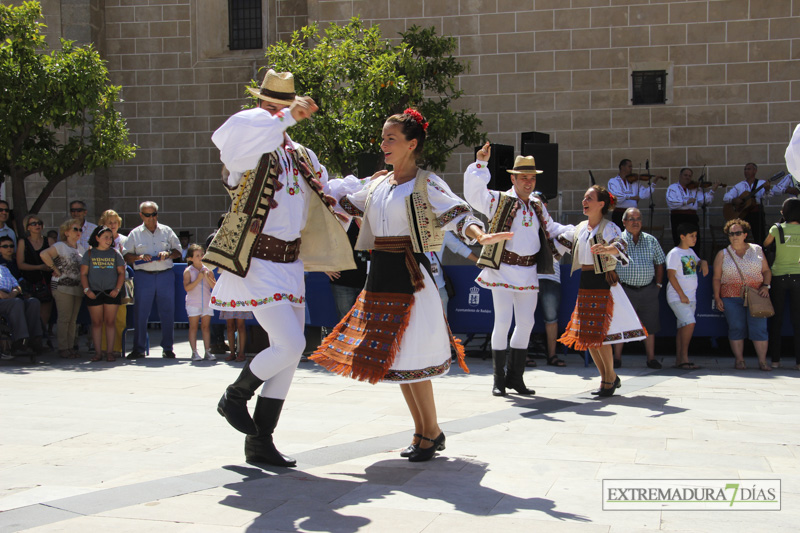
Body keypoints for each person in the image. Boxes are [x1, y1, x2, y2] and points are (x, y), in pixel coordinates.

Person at [312, 109, 510, 462]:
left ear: (412, 144)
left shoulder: (426, 183)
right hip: (381, 276)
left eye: (391, 138)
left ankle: (430, 431)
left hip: (412, 278)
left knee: (413, 357)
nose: (384, 144)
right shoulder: (377, 185)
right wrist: (321, 190)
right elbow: (343, 202)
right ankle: (422, 432)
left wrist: (482, 236)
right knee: (398, 358)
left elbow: (458, 215)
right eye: (383, 137)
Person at [207, 69, 354, 468]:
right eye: (270, 106)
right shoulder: (249, 144)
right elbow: (236, 147)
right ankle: (235, 396)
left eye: (281, 106)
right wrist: (283, 117)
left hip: (290, 261)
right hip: (255, 260)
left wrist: (365, 187)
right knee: (291, 344)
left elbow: (328, 191)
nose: (273, 114)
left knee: (289, 354)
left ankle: (260, 442)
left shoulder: (300, 154)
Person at [464, 143, 572, 397]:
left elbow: (552, 228)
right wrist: (480, 164)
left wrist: (574, 232)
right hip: (502, 269)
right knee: (502, 322)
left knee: (526, 323)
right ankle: (498, 379)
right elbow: (475, 195)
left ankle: (516, 378)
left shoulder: (537, 205)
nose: (528, 182)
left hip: (528, 271)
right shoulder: (500, 200)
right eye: (523, 177)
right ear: (513, 178)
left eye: (532, 178)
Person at [558, 185, 646, 397]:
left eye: (589, 198)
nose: (584, 201)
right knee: (589, 337)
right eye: (584, 197)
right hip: (586, 281)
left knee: (600, 336)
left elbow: (621, 246)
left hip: (603, 282)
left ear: (601, 204)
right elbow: (558, 237)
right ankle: (609, 378)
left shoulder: (609, 228)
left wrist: (609, 249)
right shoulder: (580, 228)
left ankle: (609, 378)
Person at [122, 201, 182, 359]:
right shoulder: (135, 234)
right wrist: (138, 257)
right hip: (144, 276)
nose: (151, 218)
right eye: (147, 215)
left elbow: (178, 251)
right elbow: (126, 255)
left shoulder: (167, 231)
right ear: (141, 215)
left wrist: (168, 253)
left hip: (165, 274)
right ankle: (139, 348)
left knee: (168, 313)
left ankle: (168, 348)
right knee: (141, 313)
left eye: (154, 214)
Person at [712, 219, 772, 371]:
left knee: (759, 328)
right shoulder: (723, 254)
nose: (734, 236)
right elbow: (717, 277)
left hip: (756, 294)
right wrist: (717, 297)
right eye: (731, 234)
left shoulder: (757, 250)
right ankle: (739, 360)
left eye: (738, 233)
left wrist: (766, 286)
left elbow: (766, 270)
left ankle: (763, 361)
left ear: (745, 234)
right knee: (736, 327)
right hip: (731, 296)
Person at [613, 207, 665, 369]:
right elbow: (608, 265)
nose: (635, 222)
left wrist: (658, 284)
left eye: (638, 219)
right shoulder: (616, 240)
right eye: (631, 219)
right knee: (621, 325)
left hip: (648, 290)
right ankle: (617, 358)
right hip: (624, 290)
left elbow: (659, 262)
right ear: (624, 222)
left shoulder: (651, 240)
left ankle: (651, 358)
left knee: (649, 326)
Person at [665, 223, 709, 369]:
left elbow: (697, 261)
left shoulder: (690, 251)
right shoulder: (674, 253)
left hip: (691, 297)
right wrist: (682, 294)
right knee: (690, 323)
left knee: (683, 326)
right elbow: (671, 275)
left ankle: (680, 359)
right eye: (691, 236)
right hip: (679, 297)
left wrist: (704, 262)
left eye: (696, 236)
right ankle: (684, 358)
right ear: (682, 237)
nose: (694, 239)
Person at [763, 198, 800, 369]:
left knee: (776, 320)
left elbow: (766, 244)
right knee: (797, 320)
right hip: (798, 276)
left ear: (784, 212)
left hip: (778, 275)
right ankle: (799, 362)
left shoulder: (776, 228)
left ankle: (775, 360)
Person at [40, 219, 86, 358]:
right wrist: (55, 268)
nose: (78, 232)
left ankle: (70, 347)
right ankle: (62, 348)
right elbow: (44, 254)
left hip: (77, 287)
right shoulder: (60, 246)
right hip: (62, 286)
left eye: (80, 230)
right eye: (75, 229)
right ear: (66, 232)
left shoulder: (81, 248)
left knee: (73, 319)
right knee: (64, 317)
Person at [530, 191, 566, 367]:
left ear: (545, 206)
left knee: (551, 318)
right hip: (528, 277)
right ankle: (524, 356)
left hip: (551, 277)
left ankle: (552, 356)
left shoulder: (556, 227)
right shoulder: (522, 227)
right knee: (525, 318)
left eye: (539, 203)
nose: (536, 207)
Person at [80, 226, 126, 362]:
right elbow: (83, 273)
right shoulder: (89, 254)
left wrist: (117, 289)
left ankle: (110, 352)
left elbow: (121, 273)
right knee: (96, 323)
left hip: (111, 292)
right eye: (105, 237)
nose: (108, 240)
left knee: (110, 322)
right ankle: (98, 352)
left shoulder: (115, 253)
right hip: (94, 292)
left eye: (110, 237)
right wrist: (87, 290)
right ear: (97, 238)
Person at [16, 214, 53, 342]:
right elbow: (20, 264)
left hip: (46, 281)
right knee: (31, 310)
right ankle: (30, 339)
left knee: (45, 311)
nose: (37, 225)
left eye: (39, 223)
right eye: (33, 224)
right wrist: (39, 267)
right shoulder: (23, 242)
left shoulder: (49, 241)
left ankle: (40, 340)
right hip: (29, 280)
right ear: (27, 227)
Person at [325, 214, 369, 319]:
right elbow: (325, 240)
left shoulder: (373, 225)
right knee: (345, 320)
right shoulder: (345, 221)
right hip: (343, 281)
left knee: (365, 322)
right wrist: (324, 267)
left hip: (368, 282)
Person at [98, 210, 128, 356]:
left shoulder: (124, 240)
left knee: (120, 317)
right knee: (104, 317)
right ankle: (104, 348)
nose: (113, 225)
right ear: (103, 224)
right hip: (102, 282)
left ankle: (117, 348)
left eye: (115, 222)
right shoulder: (97, 240)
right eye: (109, 222)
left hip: (120, 282)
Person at [427, 231, 479, 317]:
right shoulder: (411, 231)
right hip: (417, 286)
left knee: (442, 322)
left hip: (438, 286)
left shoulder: (443, 232)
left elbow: (459, 247)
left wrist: (479, 261)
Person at [0, 257, 44, 355]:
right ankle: (20, 340)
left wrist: (13, 292)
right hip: (4, 300)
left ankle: (34, 339)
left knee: (33, 302)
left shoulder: (4, 269)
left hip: (11, 297)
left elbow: (16, 285)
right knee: (16, 302)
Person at [665, 167, 719, 246]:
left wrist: (712, 191)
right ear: (680, 176)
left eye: (690, 176)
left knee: (694, 243)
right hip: (678, 218)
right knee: (679, 242)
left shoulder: (695, 188)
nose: (688, 177)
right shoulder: (673, 188)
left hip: (692, 218)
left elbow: (705, 200)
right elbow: (671, 202)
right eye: (685, 175)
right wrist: (686, 201)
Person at [723, 163, 772, 244]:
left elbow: (768, 197)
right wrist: (734, 200)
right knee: (742, 238)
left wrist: (767, 190)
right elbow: (726, 197)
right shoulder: (740, 185)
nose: (746, 171)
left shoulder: (761, 183)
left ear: (755, 171)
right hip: (743, 215)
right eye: (745, 169)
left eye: (749, 169)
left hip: (757, 214)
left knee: (759, 238)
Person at [183, 244, 216, 361]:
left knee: (206, 327)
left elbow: (214, 286)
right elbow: (187, 288)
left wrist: (207, 277)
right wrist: (198, 279)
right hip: (193, 303)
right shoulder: (188, 271)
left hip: (207, 302)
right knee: (193, 327)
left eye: (202, 254)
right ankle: (194, 352)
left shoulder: (208, 270)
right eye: (197, 255)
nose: (200, 257)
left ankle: (207, 351)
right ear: (191, 258)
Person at [607, 159, 654, 228]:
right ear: (622, 167)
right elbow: (616, 196)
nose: (631, 169)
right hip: (619, 213)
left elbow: (644, 195)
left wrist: (653, 184)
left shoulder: (634, 182)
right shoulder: (613, 181)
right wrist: (631, 197)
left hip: (632, 214)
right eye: (630, 166)